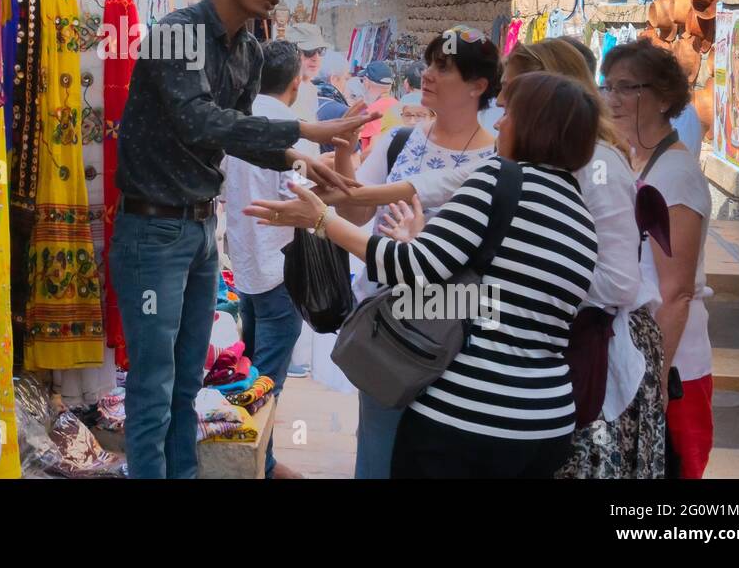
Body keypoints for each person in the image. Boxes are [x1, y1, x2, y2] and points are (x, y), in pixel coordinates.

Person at [110, 0, 369, 479]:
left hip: (202, 231)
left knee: (187, 381)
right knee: (153, 385)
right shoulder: (175, 33)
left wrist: (300, 160)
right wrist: (303, 130)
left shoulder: (247, 51)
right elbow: (198, 119)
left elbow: (238, 130)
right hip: (152, 232)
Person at [247, 71, 602, 478]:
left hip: (469, 414)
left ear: (536, 127)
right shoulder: (581, 215)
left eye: (509, 114)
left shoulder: (500, 178)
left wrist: (322, 219)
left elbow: (410, 267)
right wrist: (418, 242)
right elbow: (501, 303)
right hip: (546, 422)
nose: (500, 123)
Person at [333, 27, 501, 478]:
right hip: (389, 334)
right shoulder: (400, 141)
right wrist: (344, 153)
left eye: (442, 67)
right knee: (377, 454)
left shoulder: (498, 163)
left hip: (457, 334)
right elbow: (353, 212)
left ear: (478, 85)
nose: (426, 74)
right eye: (428, 63)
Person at [502, 39, 664, 478]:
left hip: (597, 352)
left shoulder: (599, 165)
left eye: (512, 92)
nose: (500, 102)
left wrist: (528, 281)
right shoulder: (543, 163)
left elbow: (617, 282)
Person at [602, 38, 714, 479]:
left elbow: (677, 293)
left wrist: (655, 381)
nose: (613, 98)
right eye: (608, 86)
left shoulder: (676, 176)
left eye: (628, 88)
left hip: (674, 368)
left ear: (665, 98)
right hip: (635, 358)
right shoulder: (628, 161)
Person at [220, 40, 319, 479]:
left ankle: (260, 460)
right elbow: (304, 201)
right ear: (295, 82)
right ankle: (259, 464)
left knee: (252, 372)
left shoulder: (236, 121)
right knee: (266, 381)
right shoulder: (289, 128)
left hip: (245, 264)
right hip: (279, 268)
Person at [314, 51, 358, 154]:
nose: (347, 84)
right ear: (334, 79)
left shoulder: (303, 102)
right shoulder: (341, 111)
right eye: (345, 79)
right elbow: (354, 159)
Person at [286, 21, 326, 122]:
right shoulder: (285, 89)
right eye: (309, 51)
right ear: (293, 52)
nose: (315, 57)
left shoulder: (311, 89)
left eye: (320, 50)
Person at [357, 61, 398, 152]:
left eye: (362, 81)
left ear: (366, 82)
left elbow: (372, 149)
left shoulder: (372, 112)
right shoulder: (398, 105)